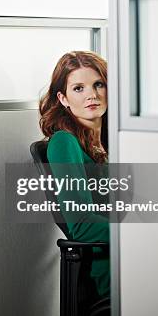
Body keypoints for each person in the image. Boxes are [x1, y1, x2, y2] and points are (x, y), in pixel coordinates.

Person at [38, 51, 110, 298]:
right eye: (78, 88)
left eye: (98, 84)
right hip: (115, 265)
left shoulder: (114, 141)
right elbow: (80, 223)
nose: (92, 94)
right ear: (63, 98)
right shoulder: (64, 143)